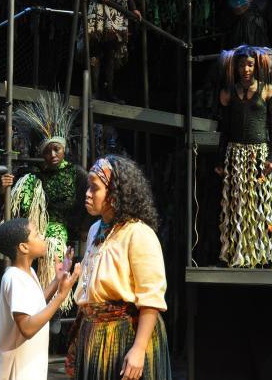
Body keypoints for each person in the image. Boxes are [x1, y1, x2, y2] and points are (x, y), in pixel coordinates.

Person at [67, 155, 172, 380]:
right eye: (88, 186)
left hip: (126, 335)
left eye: (94, 188)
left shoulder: (138, 233)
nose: (88, 193)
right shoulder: (95, 229)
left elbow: (151, 297)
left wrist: (138, 349)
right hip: (96, 334)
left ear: (114, 194)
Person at [0, 91, 88, 310]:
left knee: (54, 247)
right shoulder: (34, 175)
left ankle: (51, 305)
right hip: (35, 230)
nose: (53, 155)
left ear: (64, 149)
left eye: (56, 149)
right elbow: (17, 201)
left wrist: (82, 231)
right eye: (48, 151)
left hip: (60, 231)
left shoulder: (76, 174)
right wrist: (6, 185)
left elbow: (86, 205)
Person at [215, 45, 272, 269]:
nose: (246, 69)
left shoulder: (268, 90)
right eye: (242, 65)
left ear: (256, 67)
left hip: (260, 159)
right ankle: (229, 255)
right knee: (235, 207)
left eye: (250, 65)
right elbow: (224, 130)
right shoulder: (227, 93)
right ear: (236, 67)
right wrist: (220, 160)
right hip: (235, 157)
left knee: (266, 206)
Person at [0, 218, 81, 380]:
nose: (43, 237)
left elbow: (36, 305)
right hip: (17, 372)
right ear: (24, 247)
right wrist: (60, 296)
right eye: (37, 234)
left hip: (30, 368)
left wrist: (56, 281)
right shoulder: (14, 278)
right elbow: (27, 328)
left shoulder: (28, 273)